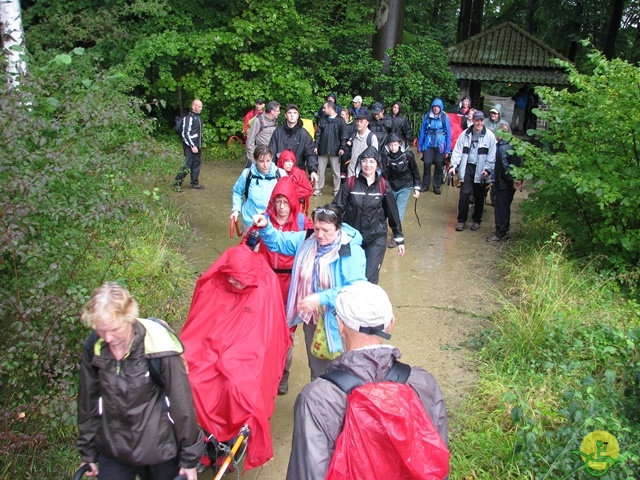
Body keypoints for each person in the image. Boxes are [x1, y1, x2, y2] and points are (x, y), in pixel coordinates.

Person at [285, 281, 448, 480]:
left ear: (340, 325)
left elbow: (308, 474)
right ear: (391, 323)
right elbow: (436, 460)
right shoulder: (423, 383)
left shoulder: (318, 398)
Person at [180, 245, 290, 471]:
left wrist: (233, 360)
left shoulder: (263, 291)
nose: (237, 284)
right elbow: (199, 327)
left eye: (242, 281)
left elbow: (264, 339)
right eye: (233, 279)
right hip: (209, 350)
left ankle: (228, 444)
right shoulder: (214, 285)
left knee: (239, 390)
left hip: (244, 356)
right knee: (191, 382)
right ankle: (199, 442)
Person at [77, 283, 200, 480]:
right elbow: (88, 402)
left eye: (114, 329)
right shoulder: (95, 346)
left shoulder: (159, 348)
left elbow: (182, 405)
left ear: (129, 317)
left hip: (159, 448)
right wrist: (87, 451)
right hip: (114, 447)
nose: (108, 338)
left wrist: (189, 460)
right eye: (101, 330)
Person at [253, 204, 367, 380]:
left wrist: (321, 298)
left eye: (326, 230)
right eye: (317, 228)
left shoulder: (351, 251)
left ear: (339, 228)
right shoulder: (308, 239)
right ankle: (319, 400)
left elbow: (355, 289)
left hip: (341, 323)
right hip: (312, 319)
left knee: (343, 372)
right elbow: (279, 241)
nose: (320, 235)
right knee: (318, 370)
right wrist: (265, 227)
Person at [243, 178, 313, 395]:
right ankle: (264, 367)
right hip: (266, 282)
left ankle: (283, 371)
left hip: (291, 284)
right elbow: (246, 247)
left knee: (287, 330)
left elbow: (317, 247)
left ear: (292, 202)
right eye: (278, 202)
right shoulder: (263, 221)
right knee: (263, 326)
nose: (281, 207)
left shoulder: (303, 224)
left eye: (285, 202)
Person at [333, 146, 404, 284]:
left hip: (376, 238)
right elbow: (337, 208)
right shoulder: (350, 183)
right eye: (364, 161)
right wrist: (325, 224)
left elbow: (393, 213)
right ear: (360, 163)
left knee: (369, 278)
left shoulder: (383, 186)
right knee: (349, 276)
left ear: (377, 164)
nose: (368, 165)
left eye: (371, 161)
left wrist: (399, 237)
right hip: (352, 237)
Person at [449, 110, 496, 232]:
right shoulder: (465, 134)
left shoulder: (489, 136)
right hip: (467, 167)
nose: (479, 123)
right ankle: (461, 220)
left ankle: (476, 220)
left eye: (481, 120)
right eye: (477, 120)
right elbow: (458, 151)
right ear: (473, 121)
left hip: (481, 169)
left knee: (479, 196)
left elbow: (492, 156)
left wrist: (488, 169)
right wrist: (453, 166)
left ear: (483, 121)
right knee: (464, 194)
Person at [231, 145, 287, 232]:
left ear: (272, 158)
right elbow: (237, 192)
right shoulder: (247, 174)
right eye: (261, 161)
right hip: (250, 220)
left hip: (273, 220)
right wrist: (236, 209)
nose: (265, 165)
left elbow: (289, 195)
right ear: (255, 160)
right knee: (251, 245)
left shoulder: (281, 174)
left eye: (268, 161)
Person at [382, 133, 420, 248]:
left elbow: (415, 171)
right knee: (388, 210)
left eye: (395, 144)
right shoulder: (386, 158)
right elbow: (383, 175)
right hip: (391, 187)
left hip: (405, 186)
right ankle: (382, 232)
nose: (393, 147)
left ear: (399, 144)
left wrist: (417, 188)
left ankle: (396, 235)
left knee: (398, 211)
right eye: (391, 145)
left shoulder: (407, 156)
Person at [487, 124, 522, 242]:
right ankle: (504, 230)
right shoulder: (515, 146)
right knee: (506, 207)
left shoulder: (502, 149)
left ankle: (500, 233)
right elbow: (520, 164)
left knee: (501, 208)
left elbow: (504, 168)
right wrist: (517, 181)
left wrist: (510, 181)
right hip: (510, 184)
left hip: (503, 184)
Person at [269, 104, 319, 185]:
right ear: (285, 115)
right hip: (279, 174)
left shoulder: (304, 134)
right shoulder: (277, 132)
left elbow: (310, 154)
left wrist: (313, 170)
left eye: (295, 113)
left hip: (297, 174)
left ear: (298, 116)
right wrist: (270, 170)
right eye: (290, 113)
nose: (292, 115)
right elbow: (272, 153)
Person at [417, 98, 451, 195]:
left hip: (440, 144)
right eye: (434, 107)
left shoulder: (444, 117)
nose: (436, 109)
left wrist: (447, 150)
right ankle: (425, 185)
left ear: (441, 108)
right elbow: (423, 131)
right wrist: (420, 145)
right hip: (429, 143)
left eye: (438, 107)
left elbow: (448, 133)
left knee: (439, 164)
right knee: (427, 164)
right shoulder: (427, 116)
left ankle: (436, 186)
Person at [314, 100, 346, 197]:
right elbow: (318, 134)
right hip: (322, 149)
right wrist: (316, 146)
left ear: (330, 108)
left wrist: (342, 147)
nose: (323, 110)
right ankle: (318, 188)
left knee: (336, 172)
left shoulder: (341, 121)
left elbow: (344, 136)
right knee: (320, 170)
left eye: (324, 108)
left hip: (335, 150)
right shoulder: (322, 120)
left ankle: (336, 190)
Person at [174, 99, 204, 190]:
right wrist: (192, 146)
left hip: (197, 146)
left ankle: (194, 183)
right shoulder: (189, 117)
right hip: (190, 146)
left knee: (196, 164)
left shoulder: (198, 117)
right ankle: (177, 183)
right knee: (187, 165)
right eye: (199, 106)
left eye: (201, 106)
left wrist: (198, 145)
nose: (201, 108)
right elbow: (185, 133)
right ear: (193, 107)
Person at [246, 100, 280, 167]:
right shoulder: (258, 121)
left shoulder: (275, 121)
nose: (279, 112)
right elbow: (250, 141)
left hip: (270, 154)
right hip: (259, 154)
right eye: (278, 111)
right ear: (272, 112)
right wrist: (253, 160)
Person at [345, 112, 378, 178]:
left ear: (367, 123)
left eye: (361, 121)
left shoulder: (371, 137)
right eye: (357, 121)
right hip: (352, 170)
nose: (359, 123)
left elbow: (374, 157)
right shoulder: (354, 135)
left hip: (365, 172)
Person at [339, 109, 355, 182]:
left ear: (347, 116)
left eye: (342, 114)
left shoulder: (353, 125)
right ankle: (341, 173)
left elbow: (355, 133)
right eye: (341, 114)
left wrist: (351, 140)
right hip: (341, 144)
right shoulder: (340, 123)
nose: (341, 116)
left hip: (350, 145)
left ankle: (346, 173)